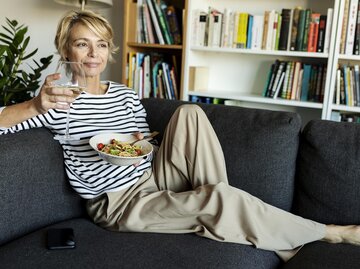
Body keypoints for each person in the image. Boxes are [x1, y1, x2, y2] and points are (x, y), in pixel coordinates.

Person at [0, 10, 359, 262]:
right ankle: (329, 232)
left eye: (100, 44)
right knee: (216, 198)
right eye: (82, 44)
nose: (93, 53)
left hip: (151, 175)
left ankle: (219, 206)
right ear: (66, 50)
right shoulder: (57, 100)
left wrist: (141, 142)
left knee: (190, 112)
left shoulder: (124, 93)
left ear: (109, 50)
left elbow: (140, 139)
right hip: (119, 203)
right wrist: (35, 105)